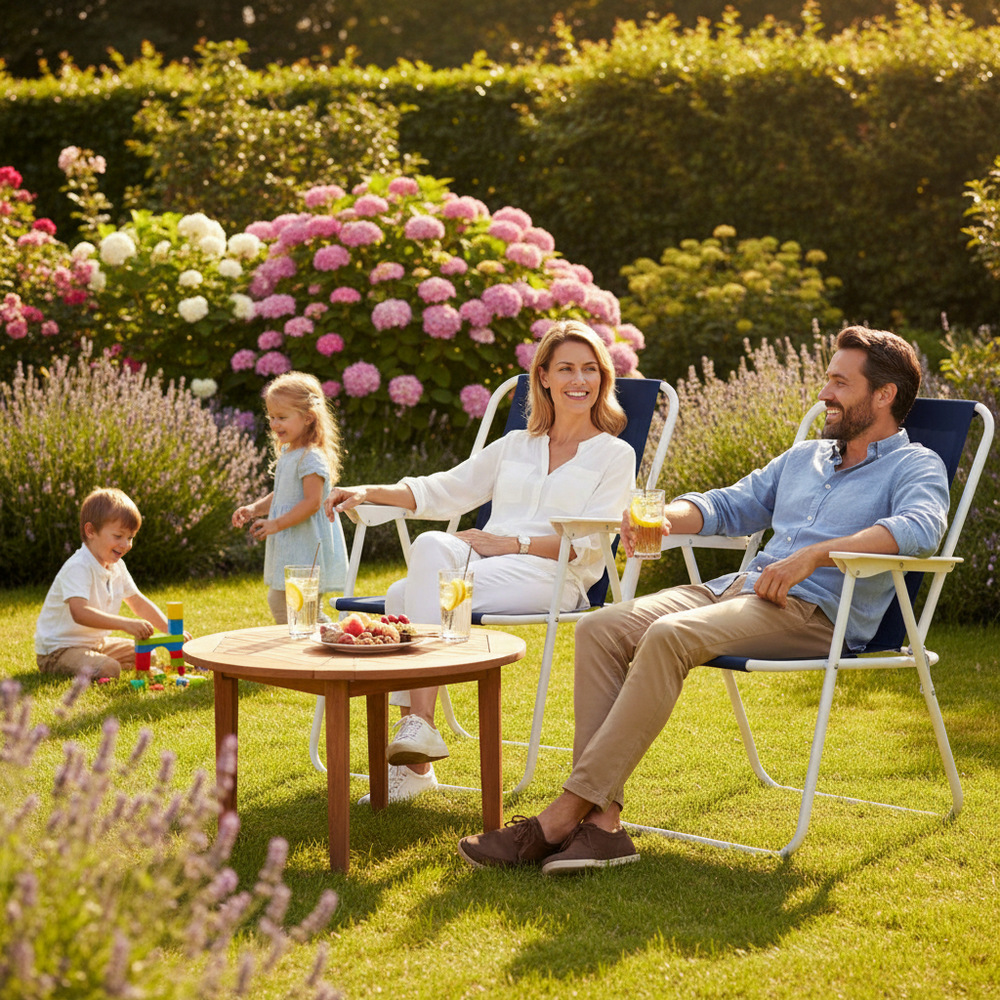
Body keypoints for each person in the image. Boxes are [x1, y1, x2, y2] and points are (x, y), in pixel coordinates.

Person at [457, 326, 951, 874]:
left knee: (669, 636)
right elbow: (730, 505)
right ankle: (603, 825)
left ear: (884, 395)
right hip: (737, 590)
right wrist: (666, 518)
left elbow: (920, 528)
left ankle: (560, 818)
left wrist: (814, 557)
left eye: (839, 382)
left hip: (815, 612)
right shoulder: (805, 458)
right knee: (600, 627)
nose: (823, 393)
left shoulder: (915, 465)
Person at [324, 321, 636, 803]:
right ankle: (420, 733)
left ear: (603, 378)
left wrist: (511, 543)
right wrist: (369, 491)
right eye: (566, 368)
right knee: (429, 547)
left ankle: (418, 743)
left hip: (553, 575)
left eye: (590, 369)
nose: (580, 380)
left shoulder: (615, 455)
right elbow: (446, 489)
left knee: (404, 596)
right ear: (544, 377)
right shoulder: (517, 445)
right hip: (485, 561)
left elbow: (589, 547)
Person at [233, 371, 348, 624]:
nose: (275, 424)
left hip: (307, 545)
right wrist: (254, 509)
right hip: (292, 545)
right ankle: (324, 637)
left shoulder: (311, 457)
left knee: (298, 609)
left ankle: (328, 638)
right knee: (289, 605)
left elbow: (312, 502)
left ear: (308, 417)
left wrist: (276, 524)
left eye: (282, 417)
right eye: (271, 417)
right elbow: (283, 494)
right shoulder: (290, 452)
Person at [35, 487, 185, 680]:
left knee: (149, 654)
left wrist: (171, 631)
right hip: (59, 650)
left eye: (130, 538)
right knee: (109, 668)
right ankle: (98, 667)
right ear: (91, 531)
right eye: (118, 536)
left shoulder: (117, 566)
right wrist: (125, 624)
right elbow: (80, 612)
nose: (125, 545)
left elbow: (137, 602)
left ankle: (98, 662)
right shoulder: (79, 566)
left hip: (96, 644)